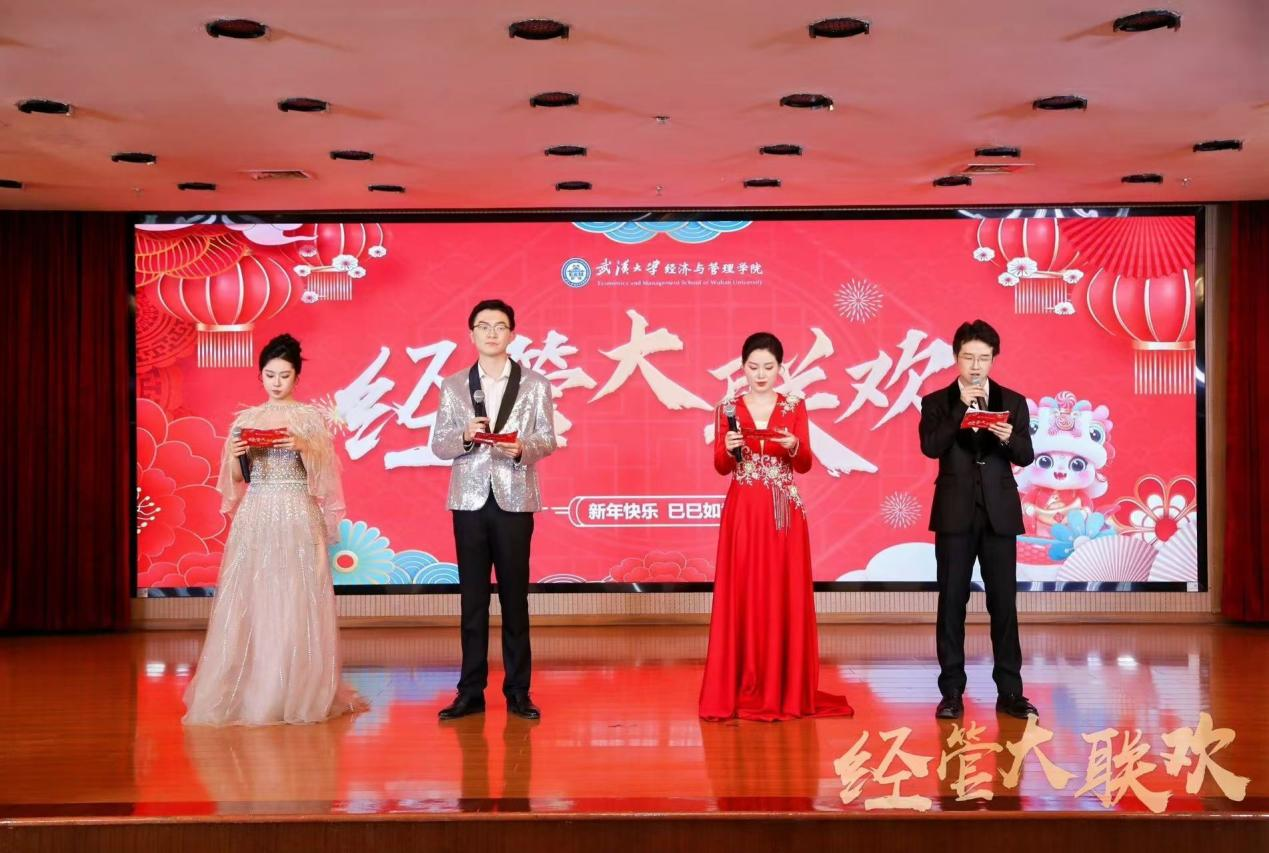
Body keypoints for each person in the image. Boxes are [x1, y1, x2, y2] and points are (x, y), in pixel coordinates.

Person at [184, 333, 365, 726]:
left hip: (297, 512)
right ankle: (254, 688)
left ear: (296, 377)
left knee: (296, 598)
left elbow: (324, 478)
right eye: (270, 375)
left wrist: (305, 447)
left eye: (284, 375)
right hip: (257, 514)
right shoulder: (246, 421)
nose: (277, 382)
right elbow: (237, 480)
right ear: (260, 376)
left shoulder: (309, 420)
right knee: (256, 597)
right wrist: (236, 457)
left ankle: (295, 690)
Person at [699, 332, 854, 722]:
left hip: (784, 510)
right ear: (742, 368)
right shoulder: (728, 408)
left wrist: (793, 445)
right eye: (753, 367)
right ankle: (745, 683)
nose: (760, 374)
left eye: (768, 367)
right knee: (744, 590)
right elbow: (721, 466)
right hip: (743, 510)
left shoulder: (794, 406)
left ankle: (784, 687)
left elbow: (805, 464)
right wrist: (728, 448)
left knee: (782, 591)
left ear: (780, 368)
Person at [433, 300, 558, 721]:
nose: (491, 333)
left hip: (514, 499)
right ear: (471, 334)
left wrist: (522, 447)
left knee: (514, 599)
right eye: (483, 326)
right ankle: (470, 691)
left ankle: (518, 691)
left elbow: (547, 438)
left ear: (512, 334)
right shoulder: (453, 385)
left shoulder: (535, 384)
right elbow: (439, 444)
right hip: (469, 502)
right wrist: (465, 437)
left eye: (499, 326)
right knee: (472, 601)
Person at [918, 319, 1037, 721]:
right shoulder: (936, 402)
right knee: (952, 602)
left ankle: (1011, 691)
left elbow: (1025, 455)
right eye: (968, 357)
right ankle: (951, 691)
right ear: (956, 357)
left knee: (1004, 603)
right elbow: (931, 446)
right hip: (954, 514)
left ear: (993, 359)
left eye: (983, 358)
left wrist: (1005, 435)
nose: (975, 366)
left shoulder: (1013, 401)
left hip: (999, 514)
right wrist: (958, 412)